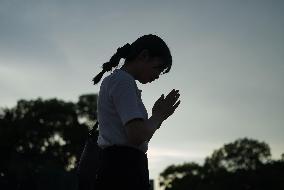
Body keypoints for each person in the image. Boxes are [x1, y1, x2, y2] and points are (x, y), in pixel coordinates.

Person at [92, 34, 181, 190]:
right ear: (144, 56)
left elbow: (139, 138)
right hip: (123, 170)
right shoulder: (123, 81)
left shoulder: (119, 80)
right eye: (158, 68)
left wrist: (157, 118)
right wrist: (158, 116)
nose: (157, 76)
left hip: (120, 166)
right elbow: (137, 136)